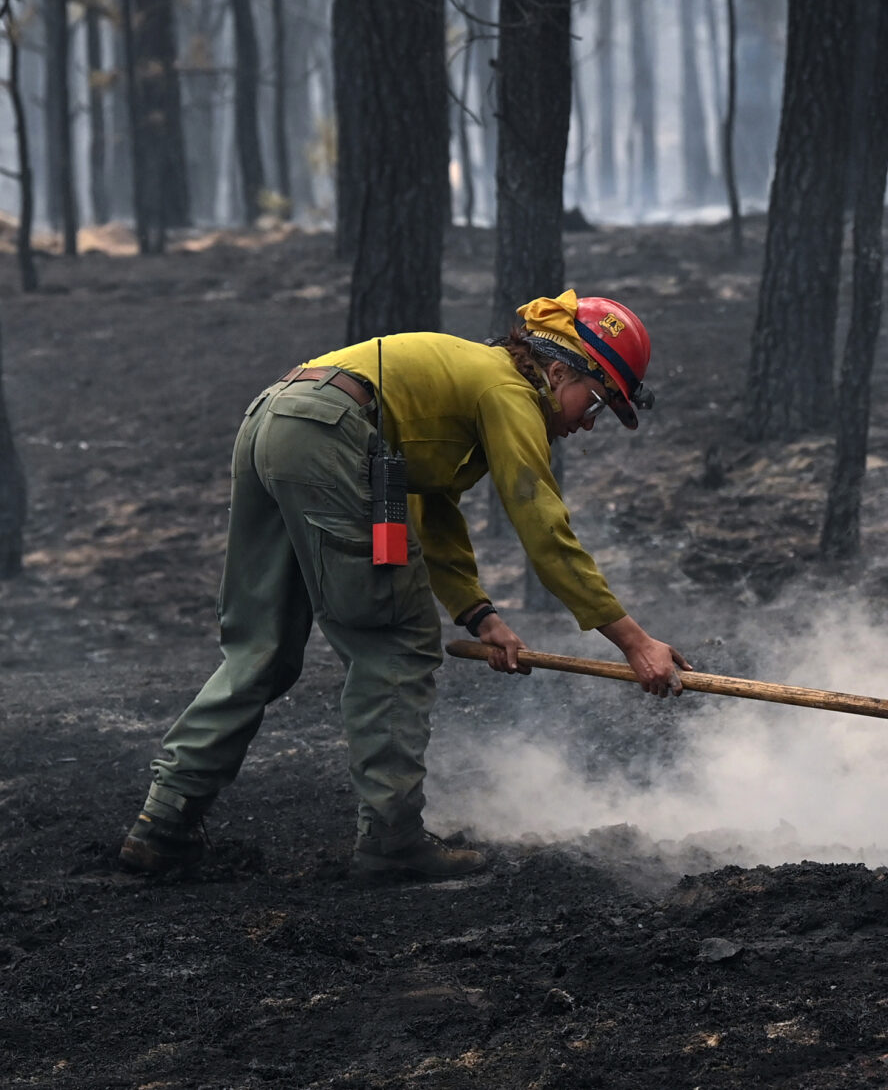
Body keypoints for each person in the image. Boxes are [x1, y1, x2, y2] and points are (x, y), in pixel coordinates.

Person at [118, 291, 687, 883]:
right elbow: (543, 527)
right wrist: (634, 642)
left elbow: (430, 506)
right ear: (560, 369)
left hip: (276, 417)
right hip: (329, 434)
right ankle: (391, 841)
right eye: (594, 402)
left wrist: (479, 616)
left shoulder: (470, 382)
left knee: (262, 648)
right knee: (396, 644)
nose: (584, 423)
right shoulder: (509, 393)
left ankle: (164, 822)